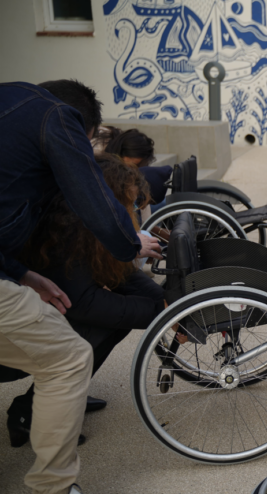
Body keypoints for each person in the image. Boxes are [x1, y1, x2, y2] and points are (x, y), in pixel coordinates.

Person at [0, 79, 160, 494]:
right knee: (69, 359)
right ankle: (52, 485)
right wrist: (129, 244)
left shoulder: (12, 100)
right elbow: (90, 196)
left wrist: (20, 273)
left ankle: (54, 404)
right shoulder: (55, 117)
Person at [7, 154, 166, 448]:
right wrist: (159, 313)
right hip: (16, 340)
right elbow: (83, 303)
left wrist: (162, 302)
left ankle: (64, 396)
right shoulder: (64, 233)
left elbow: (120, 276)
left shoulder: (83, 224)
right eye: (127, 204)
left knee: (116, 321)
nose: (132, 212)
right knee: (104, 322)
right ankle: (27, 413)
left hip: (48, 314)